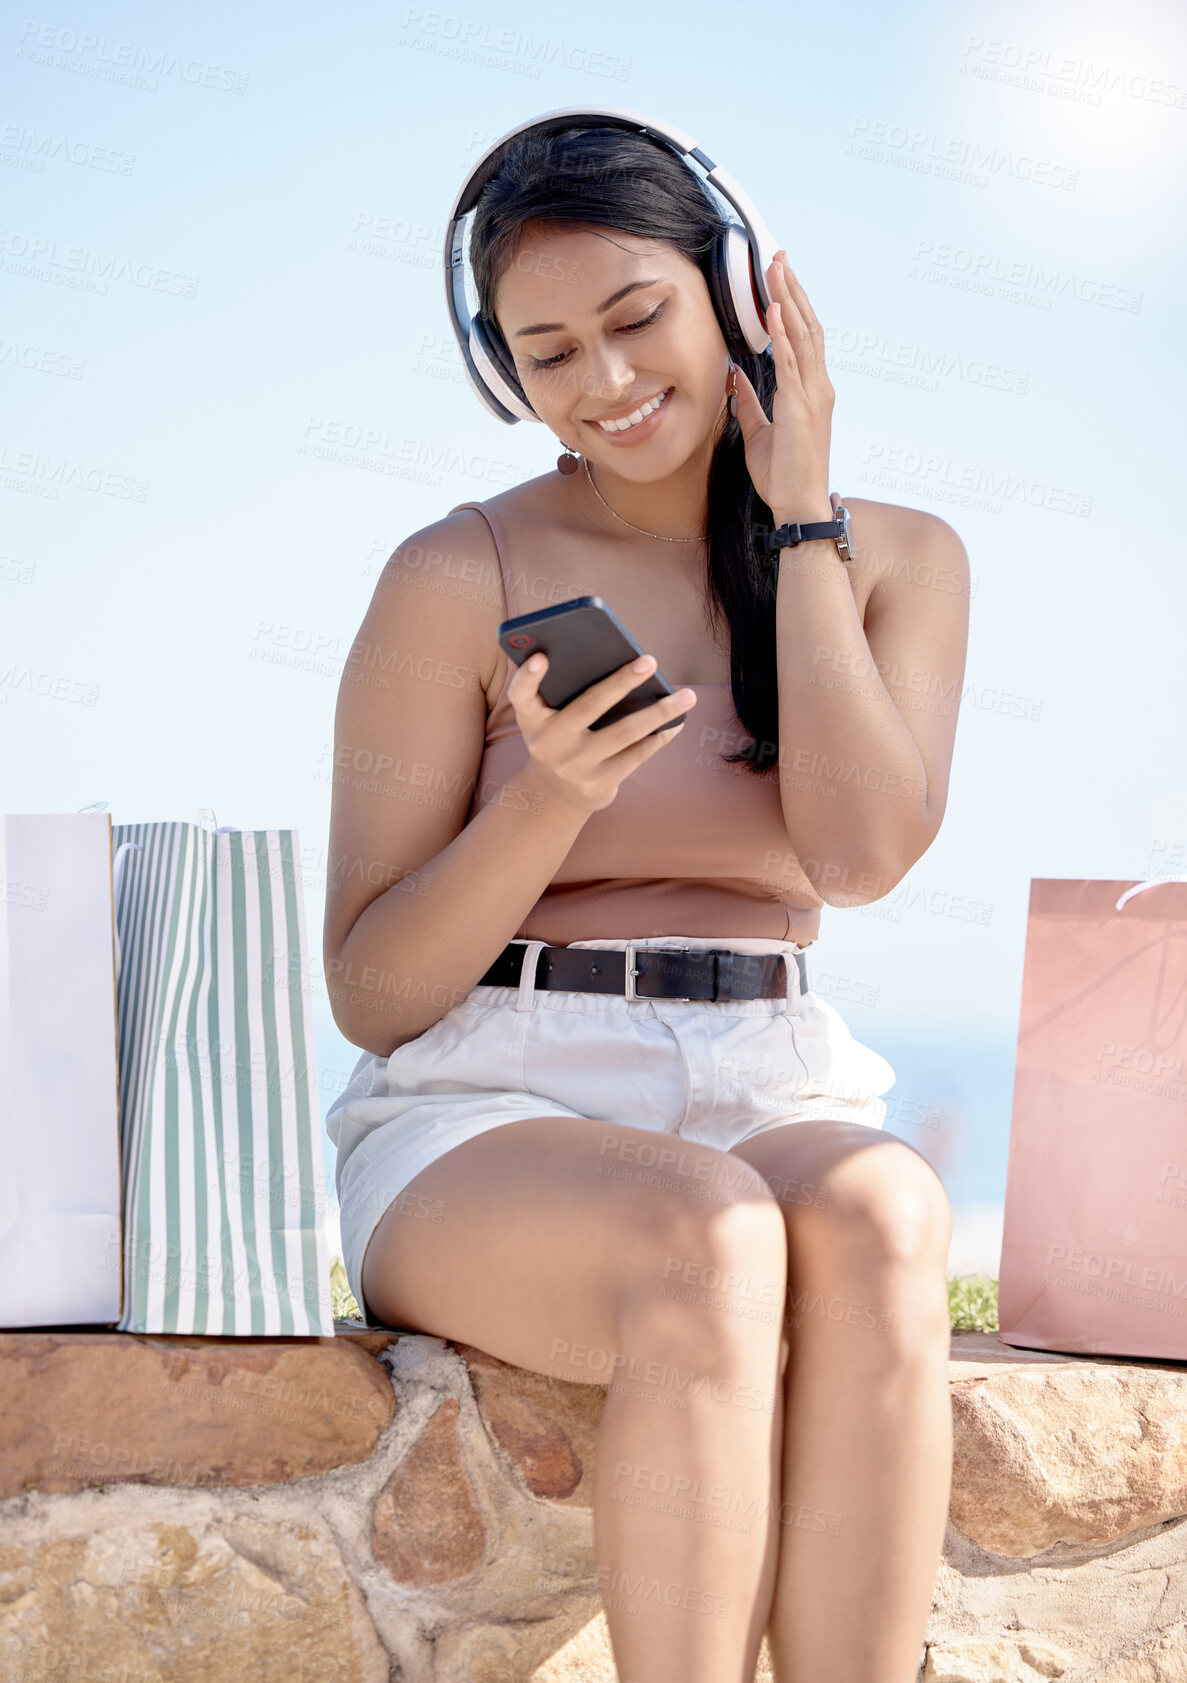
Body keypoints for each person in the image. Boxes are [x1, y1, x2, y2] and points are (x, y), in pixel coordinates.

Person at [323, 118, 969, 1683]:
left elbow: (859, 859)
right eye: (549, 354)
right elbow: (374, 990)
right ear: (505, 379)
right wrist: (549, 793)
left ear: (736, 298)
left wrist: (799, 518)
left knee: (887, 1213)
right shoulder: (454, 573)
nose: (603, 383)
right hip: (484, 1102)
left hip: (768, 1074)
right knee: (707, 1234)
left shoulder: (902, 559)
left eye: (634, 320)